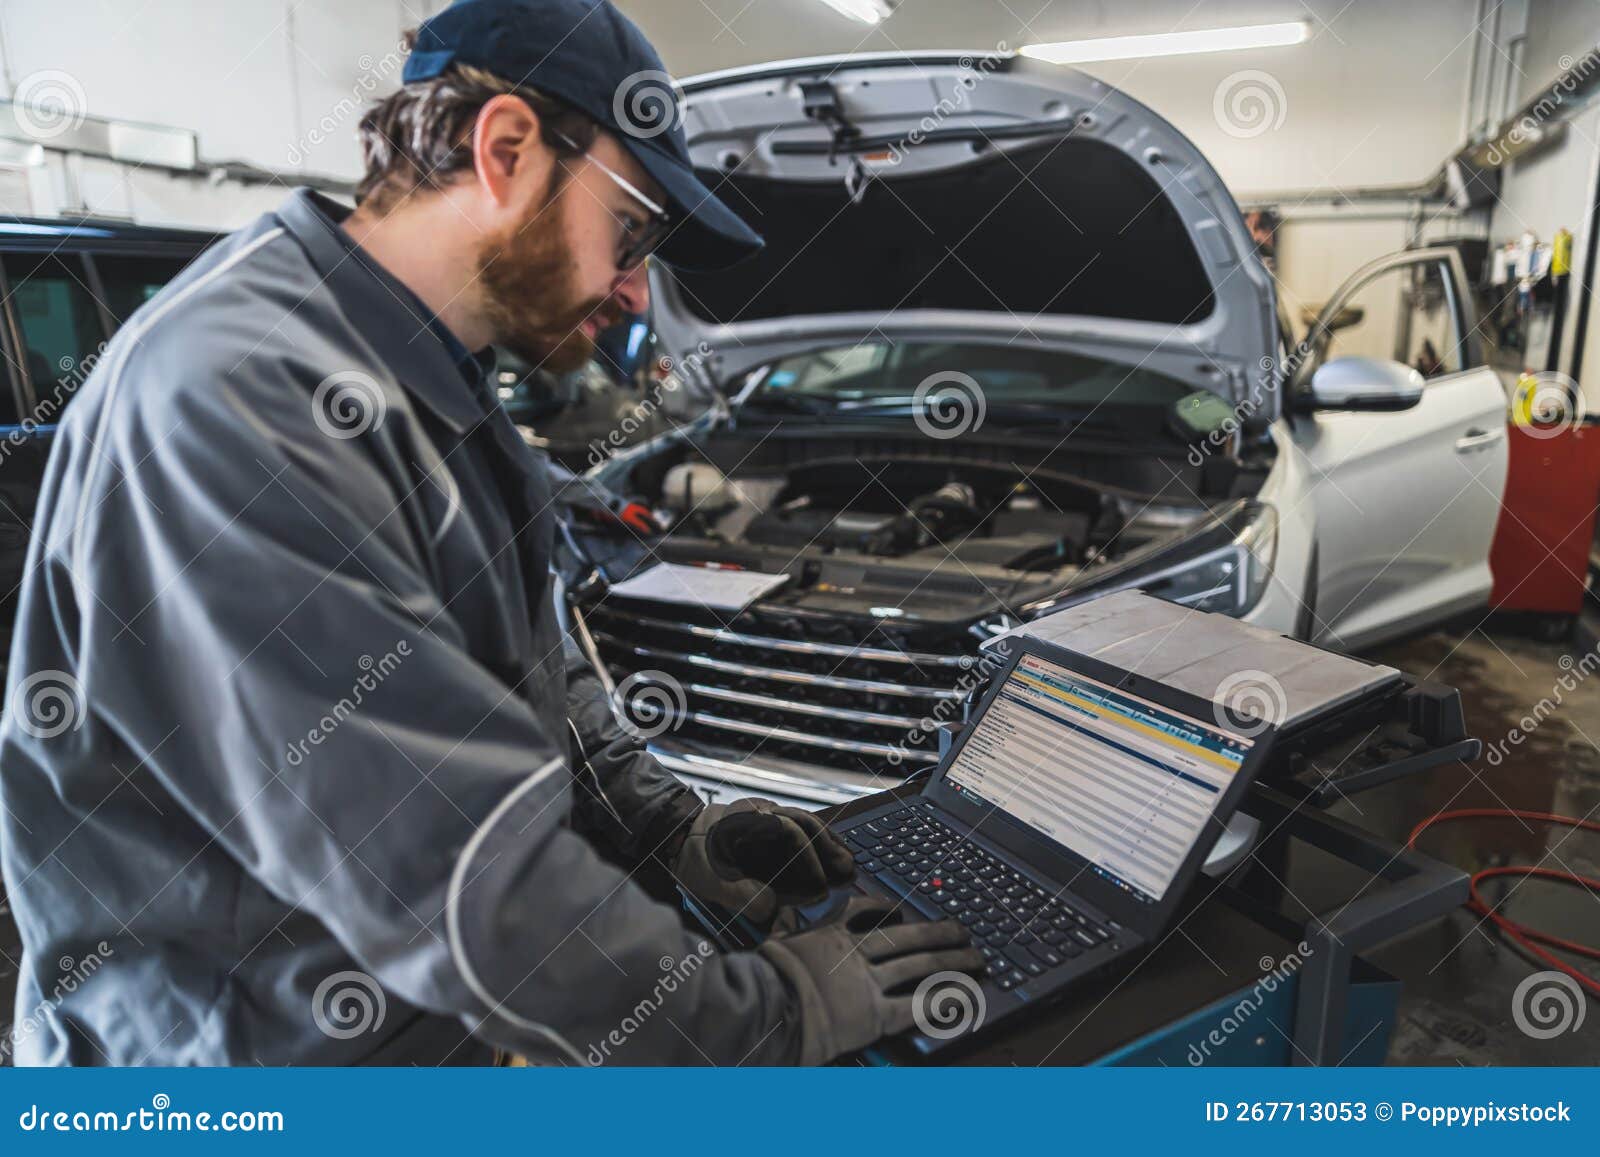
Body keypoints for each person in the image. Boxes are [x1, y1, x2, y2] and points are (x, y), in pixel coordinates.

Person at [0, 0, 979, 1066]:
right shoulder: (247, 393)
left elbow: (531, 680)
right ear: (505, 148)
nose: (638, 287)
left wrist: (669, 835)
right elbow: (448, 870)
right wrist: (776, 1018)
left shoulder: (434, 393)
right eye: (637, 228)